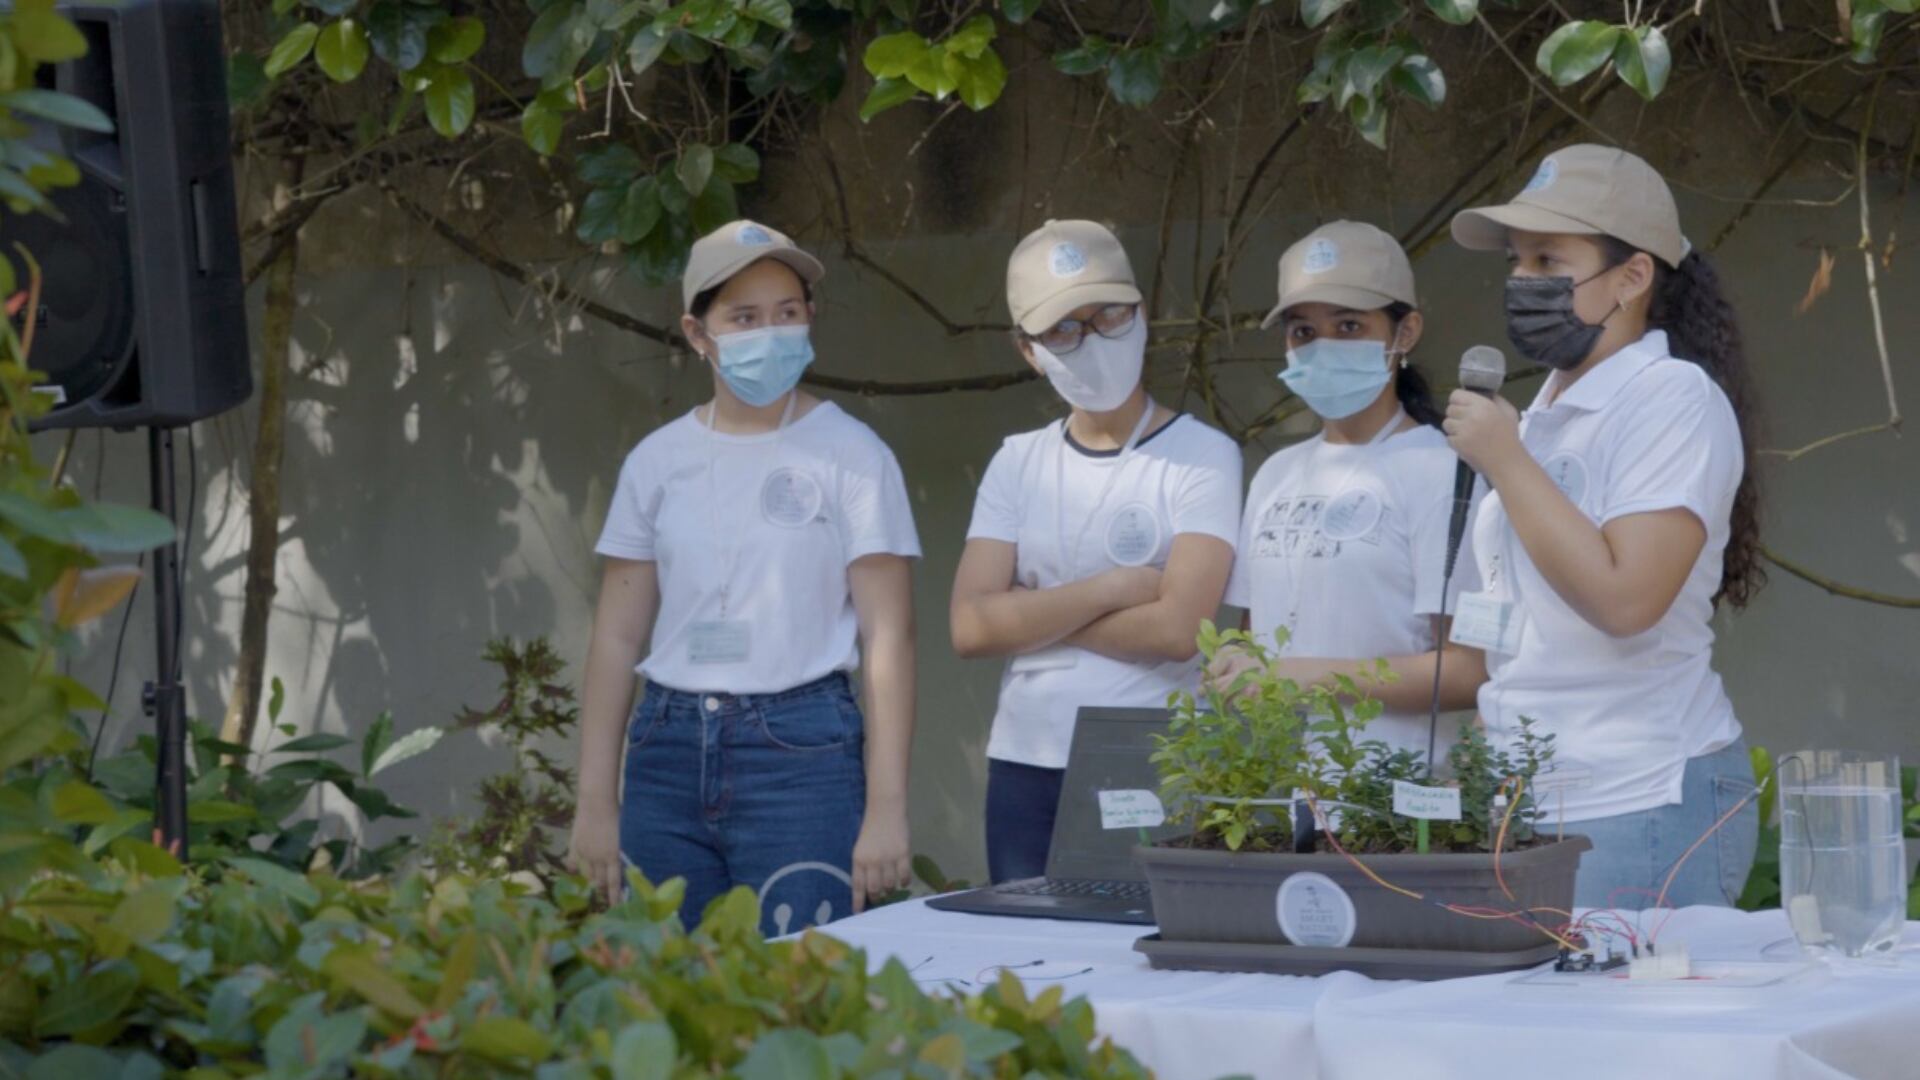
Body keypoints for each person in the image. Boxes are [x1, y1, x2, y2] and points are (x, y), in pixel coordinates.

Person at [566, 220, 919, 936]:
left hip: (803, 755)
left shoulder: (854, 455)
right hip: (664, 751)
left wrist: (886, 809)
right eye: (745, 318)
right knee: (665, 994)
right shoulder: (657, 462)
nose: (771, 333)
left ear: (811, 318)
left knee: (802, 988)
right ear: (699, 334)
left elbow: (890, 638)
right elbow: (615, 638)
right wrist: (596, 802)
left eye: (788, 313)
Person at [1444, 145, 1764, 908]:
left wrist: (1508, 461)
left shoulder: (1672, 398)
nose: (1524, 281)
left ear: (1632, 276)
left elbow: (1627, 602)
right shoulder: (1540, 418)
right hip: (1528, 807)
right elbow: (1492, 638)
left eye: (1550, 258)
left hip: (1639, 793)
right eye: (1518, 261)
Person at [950, 220, 1243, 883]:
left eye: (1107, 315)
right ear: (1027, 349)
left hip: (1153, 752)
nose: (1091, 340)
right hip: (1024, 760)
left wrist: (1029, 613)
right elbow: (970, 627)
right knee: (1032, 966)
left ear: (1142, 313)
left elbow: (1175, 631)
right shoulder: (1017, 461)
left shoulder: (1203, 455)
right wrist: (1111, 590)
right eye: (1063, 329)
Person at [1209, 221, 1485, 758]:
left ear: (1404, 333)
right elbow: (1251, 637)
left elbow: (1468, 672)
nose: (1323, 348)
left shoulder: (1446, 470)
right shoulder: (1275, 473)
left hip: (1396, 800)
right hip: (1276, 791)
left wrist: (1297, 677)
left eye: (1350, 326)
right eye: (1303, 333)